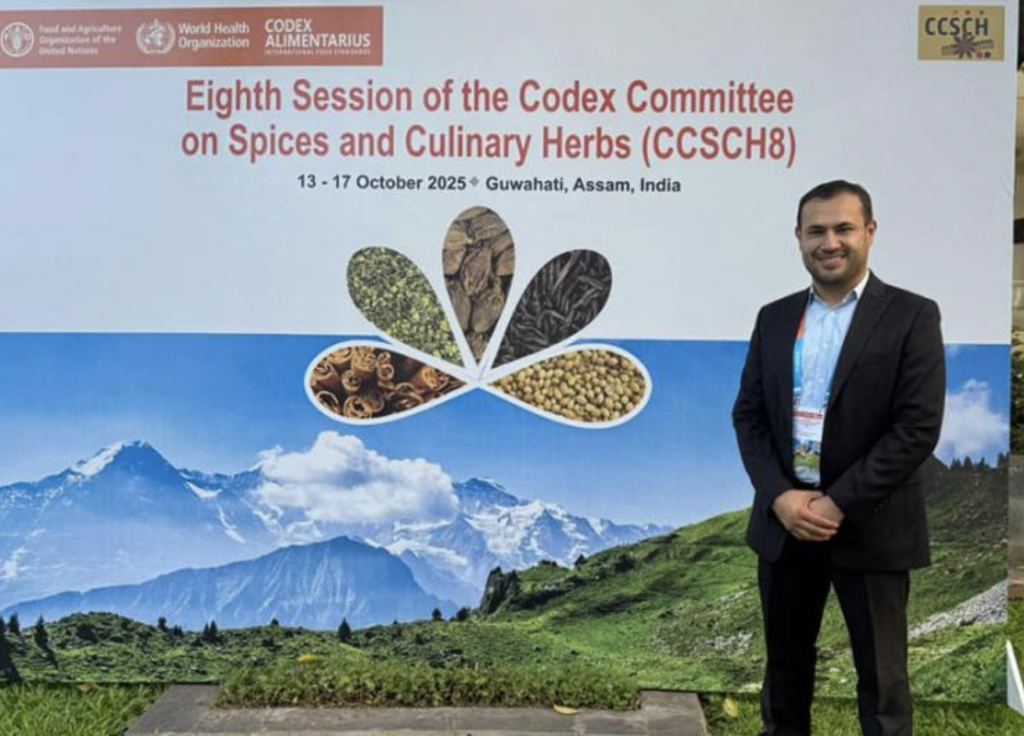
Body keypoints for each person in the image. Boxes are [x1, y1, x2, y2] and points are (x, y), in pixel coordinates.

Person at [732, 180, 945, 736]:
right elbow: (749, 417)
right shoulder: (774, 318)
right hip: (786, 527)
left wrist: (838, 503)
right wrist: (781, 497)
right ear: (799, 238)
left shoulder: (912, 316)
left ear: (870, 232)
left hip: (872, 525)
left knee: (883, 683)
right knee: (784, 675)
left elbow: (917, 427)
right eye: (817, 231)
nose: (830, 243)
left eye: (843, 228)